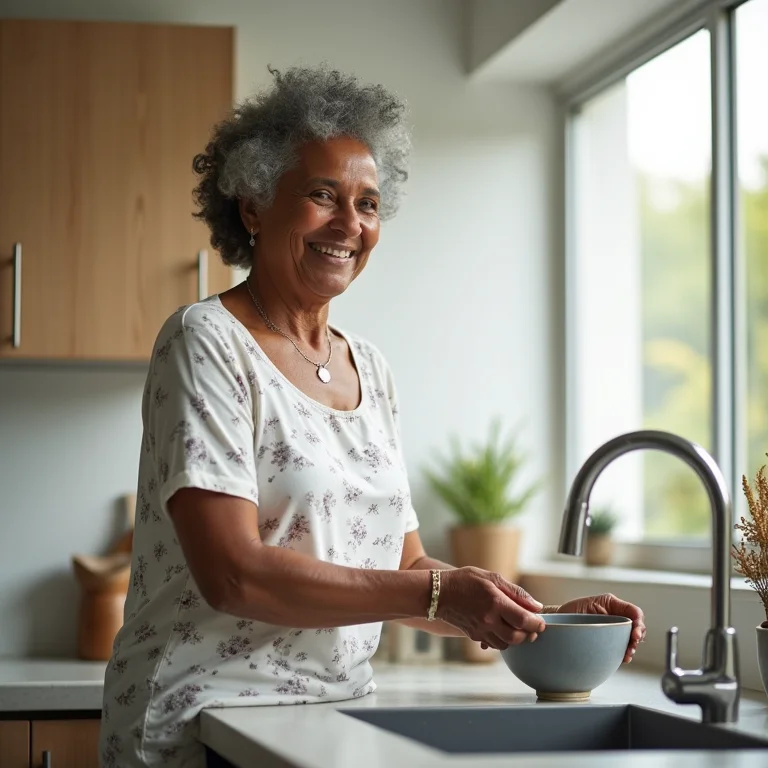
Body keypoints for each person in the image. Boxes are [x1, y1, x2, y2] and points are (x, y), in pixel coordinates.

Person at [99, 64, 645, 768]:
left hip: (335, 722)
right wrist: (442, 593)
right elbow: (232, 574)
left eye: (368, 203)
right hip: (201, 724)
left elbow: (407, 567)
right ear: (254, 206)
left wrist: (543, 616)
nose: (349, 224)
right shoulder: (207, 340)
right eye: (322, 195)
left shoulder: (372, 370)